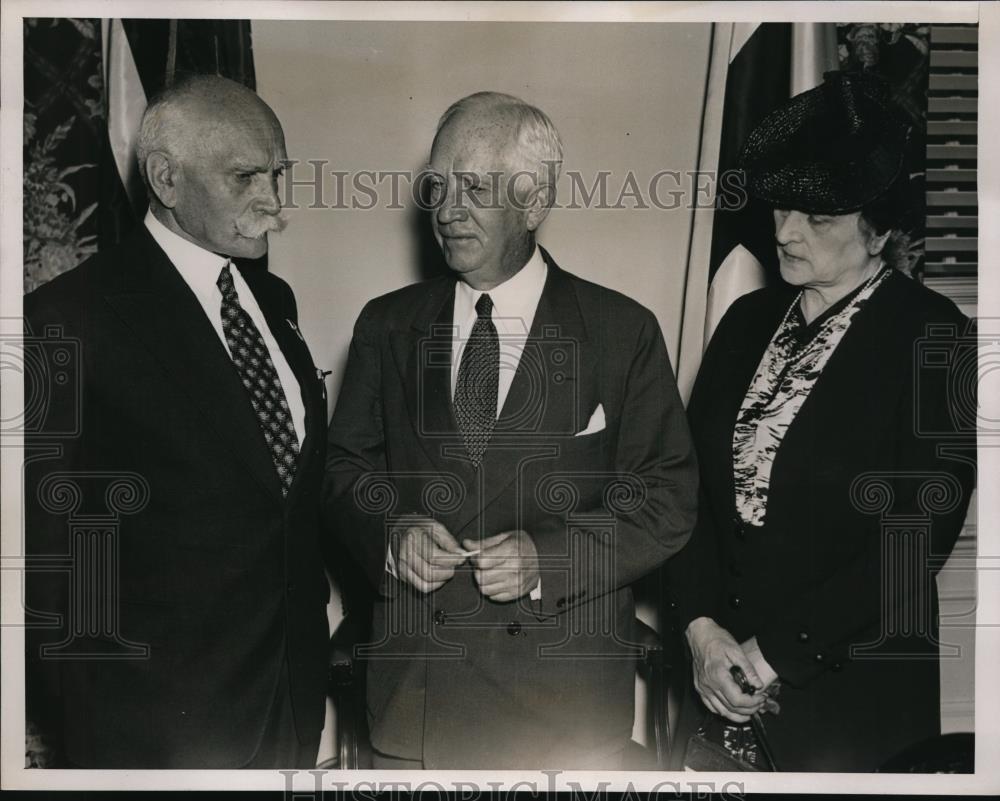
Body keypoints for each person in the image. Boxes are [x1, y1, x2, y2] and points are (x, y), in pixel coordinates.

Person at [324, 91, 698, 769]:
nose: (446, 210)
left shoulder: (621, 331)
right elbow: (345, 469)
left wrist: (547, 557)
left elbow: (666, 500)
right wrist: (391, 532)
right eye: (438, 186)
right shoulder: (386, 325)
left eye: (474, 187)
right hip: (418, 708)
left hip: (564, 714)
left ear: (535, 202)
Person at [668, 71, 976, 772]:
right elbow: (684, 487)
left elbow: (913, 539)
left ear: (883, 231)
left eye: (820, 218)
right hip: (715, 685)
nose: (786, 231)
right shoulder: (747, 321)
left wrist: (774, 654)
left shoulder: (935, 335)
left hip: (850, 702)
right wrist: (700, 629)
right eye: (782, 208)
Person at [24, 75, 330, 768]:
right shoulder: (67, 319)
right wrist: (94, 722)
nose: (273, 202)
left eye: (277, 175)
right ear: (166, 177)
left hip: (288, 697)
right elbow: (42, 560)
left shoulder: (272, 297)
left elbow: (282, 491)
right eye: (246, 177)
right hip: (150, 724)